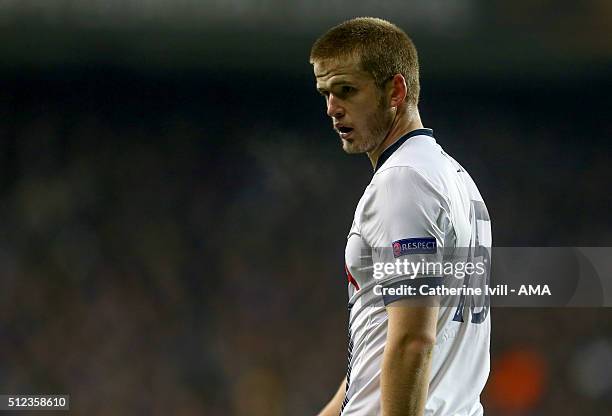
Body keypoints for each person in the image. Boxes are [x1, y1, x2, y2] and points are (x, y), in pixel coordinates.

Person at [310, 18, 492, 416]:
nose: (332, 108)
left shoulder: (404, 181)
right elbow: (382, 339)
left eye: (347, 91)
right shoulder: (455, 178)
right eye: (325, 93)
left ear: (396, 90)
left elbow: (413, 341)